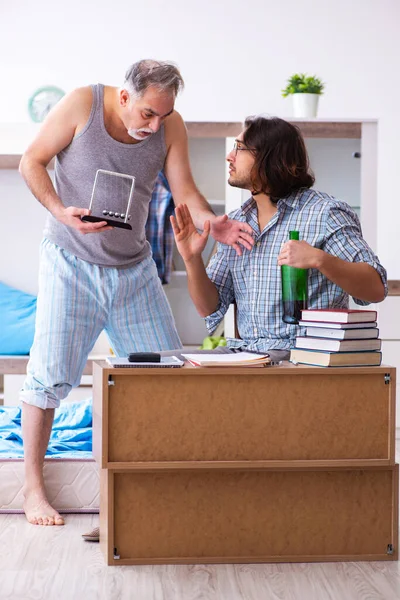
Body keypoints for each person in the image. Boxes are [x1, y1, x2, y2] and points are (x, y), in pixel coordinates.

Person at [18, 59, 255, 527]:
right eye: (148, 113)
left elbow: (183, 189)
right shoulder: (81, 105)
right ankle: (33, 490)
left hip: (133, 269)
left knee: (166, 372)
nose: (155, 125)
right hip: (69, 261)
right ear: (124, 97)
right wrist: (59, 210)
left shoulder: (170, 126)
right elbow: (32, 161)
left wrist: (213, 223)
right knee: (47, 379)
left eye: (163, 116)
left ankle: (161, 484)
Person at [171, 115, 387, 354]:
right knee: (165, 367)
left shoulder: (325, 213)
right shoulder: (236, 222)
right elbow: (209, 308)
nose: (229, 156)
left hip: (303, 355)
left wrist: (320, 259)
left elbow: (376, 288)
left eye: (240, 149)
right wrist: (191, 260)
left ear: (272, 159)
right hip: (247, 356)